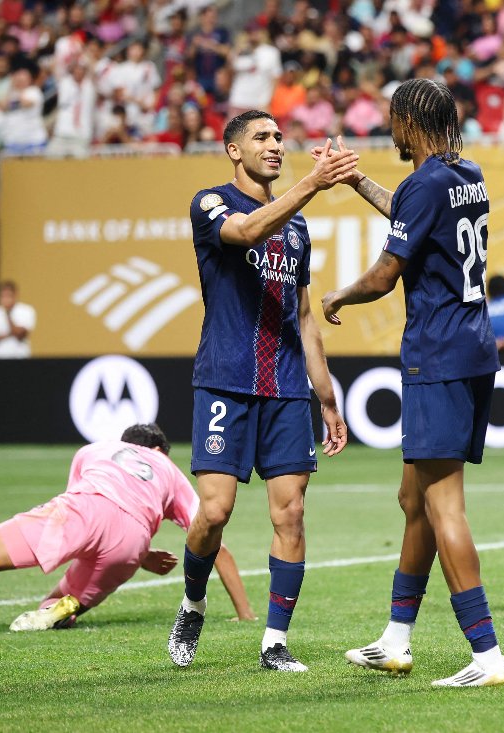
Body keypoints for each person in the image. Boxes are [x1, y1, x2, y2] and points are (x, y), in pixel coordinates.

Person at [319, 78, 504, 688]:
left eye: (392, 120)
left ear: (409, 120)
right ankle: (396, 640)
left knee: (442, 504)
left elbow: (384, 275)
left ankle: (487, 657)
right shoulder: (465, 173)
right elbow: (411, 210)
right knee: (414, 501)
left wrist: (337, 295)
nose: (390, 130)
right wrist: (356, 183)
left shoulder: (425, 183)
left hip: (438, 354)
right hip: (474, 348)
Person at [167, 110, 354, 674]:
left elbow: (302, 314)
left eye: (278, 137)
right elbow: (247, 231)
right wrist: (312, 184)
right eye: (261, 138)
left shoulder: (297, 228)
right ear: (233, 150)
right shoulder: (210, 203)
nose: (275, 145)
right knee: (215, 511)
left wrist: (326, 396)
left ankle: (274, 642)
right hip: (225, 379)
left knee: (291, 513)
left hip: (286, 389)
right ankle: (193, 602)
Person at [0, 424, 254, 635]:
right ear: (160, 449)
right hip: (130, 545)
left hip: (82, 511)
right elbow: (213, 539)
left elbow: (86, 511)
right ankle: (59, 608)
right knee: (51, 608)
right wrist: (245, 614)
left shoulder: (96, 448)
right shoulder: (169, 469)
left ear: (125, 440)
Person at [0, 280, 36, 358]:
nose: (6, 299)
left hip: (20, 357)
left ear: (15, 295)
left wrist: (8, 314)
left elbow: (20, 335)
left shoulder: (26, 311)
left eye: (9, 295)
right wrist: (10, 334)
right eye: (3, 296)